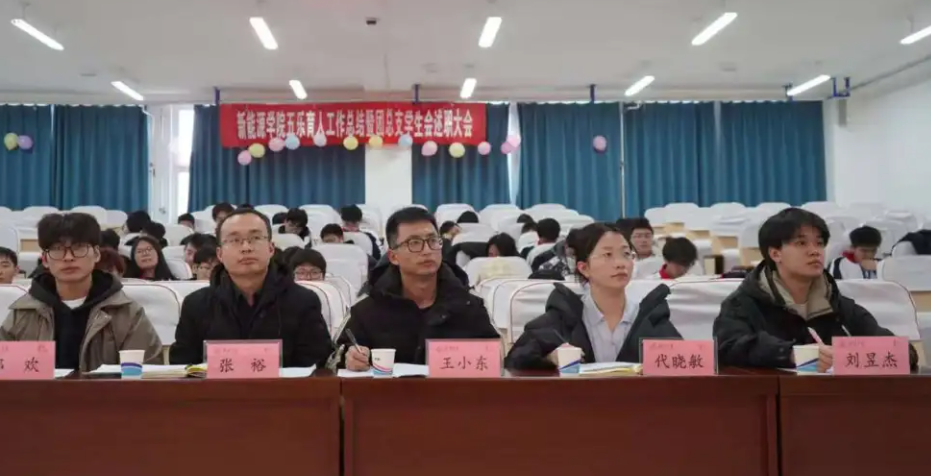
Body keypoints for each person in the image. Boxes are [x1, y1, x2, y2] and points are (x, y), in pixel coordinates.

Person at [713, 208, 917, 372]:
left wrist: (862, 354)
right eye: (801, 243)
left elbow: (903, 352)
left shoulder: (836, 303)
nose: (815, 251)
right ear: (775, 254)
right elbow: (728, 347)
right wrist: (790, 354)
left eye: (819, 243)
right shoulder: (744, 303)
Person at [334, 207, 498, 371]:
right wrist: (350, 358)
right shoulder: (367, 311)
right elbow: (339, 357)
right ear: (393, 257)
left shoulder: (468, 306)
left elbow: (493, 362)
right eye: (414, 243)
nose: (427, 251)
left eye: (432, 240)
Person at [0, 212, 163, 371]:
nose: (68, 257)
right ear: (45, 259)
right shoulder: (23, 313)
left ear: (96, 254)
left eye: (79, 248)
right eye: (58, 249)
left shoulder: (127, 313)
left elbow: (146, 378)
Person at [169, 208, 332, 367]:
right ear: (220, 254)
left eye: (255, 238)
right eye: (234, 240)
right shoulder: (196, 305)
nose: (246, 247)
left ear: (270, 248)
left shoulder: (303, 302)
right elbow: (182, 368)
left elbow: (318, 368)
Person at [506, 224, 680, 370]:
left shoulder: (651, 318)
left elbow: (681, 364)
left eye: (626, 254)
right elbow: (514, 360)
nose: (621, 263)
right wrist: (549, 358)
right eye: (607, 255)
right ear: (584, 268)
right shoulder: (564, 316)